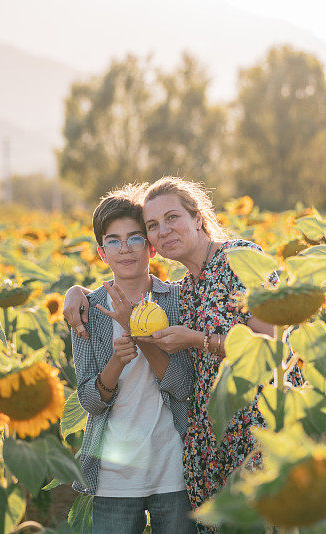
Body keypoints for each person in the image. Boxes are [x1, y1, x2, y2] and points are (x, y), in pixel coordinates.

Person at [65, 177, 303, 532]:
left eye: (172, 218)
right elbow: (90, 395)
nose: (163, 231)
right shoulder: (184, 289)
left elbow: (274, 343)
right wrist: (76, 291)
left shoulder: (226, 267)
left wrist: (190, 339)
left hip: (258, 425)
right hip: (212, 439)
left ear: (197, 217)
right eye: (154, 225)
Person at [70, 184, 196, 534]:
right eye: (113, 240)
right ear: (101, 252)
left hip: (172, 468)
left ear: (151, 247)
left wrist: (139, 337)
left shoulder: (176, 300)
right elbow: (89, 400)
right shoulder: (87, 310)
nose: (125, 249)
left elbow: (184, 386)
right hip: (113, 475)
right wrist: (116, 362)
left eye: (135, 238)